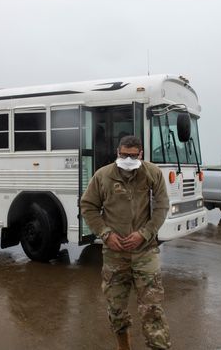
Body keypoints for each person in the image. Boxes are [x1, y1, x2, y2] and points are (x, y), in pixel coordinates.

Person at [80, 135, 171, 350]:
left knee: (152, 309)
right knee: (116, 310)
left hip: (145, 253)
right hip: (114, 255)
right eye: (123, 154)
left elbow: (162, 206)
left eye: (132, 155)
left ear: (140, 154)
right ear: (117, 152)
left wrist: (145, 233)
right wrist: (105, 234)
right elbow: (88, 206)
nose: (128, 159)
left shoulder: (152, 173)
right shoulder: (103, 176)